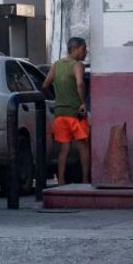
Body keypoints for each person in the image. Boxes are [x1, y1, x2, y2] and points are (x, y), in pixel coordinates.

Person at [42, 37, 90, 185]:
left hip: (60, 114)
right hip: (75, 113)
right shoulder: (77, 65)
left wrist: (58, 95)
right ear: (74, 49)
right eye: (83, 49)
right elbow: (80, 83)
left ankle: (61, 180)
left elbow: (45, 84)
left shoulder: (56, 65)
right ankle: (85, 179)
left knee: (64, 148)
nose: (86, 52)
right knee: (83, 146)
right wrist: (82, 102)